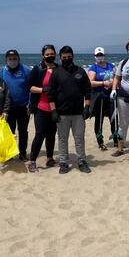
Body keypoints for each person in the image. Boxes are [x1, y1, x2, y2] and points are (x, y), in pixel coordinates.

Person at [48, 46, 92, 174]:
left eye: (69, 57)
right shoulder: (56, 72)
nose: (66, 59)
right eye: (64, 57)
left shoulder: (80, 71)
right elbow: (50, 93)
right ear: (60, 58)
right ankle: (64, 162)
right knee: (62, 139)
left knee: (79, 138)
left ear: (73, 56)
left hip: (78, 113)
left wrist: (87, 107)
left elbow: (87, 90)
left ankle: (82, 161)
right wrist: (53, 111)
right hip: (62, 113)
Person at [26, 45, 58, 173]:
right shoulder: (37, 69)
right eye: (47, 54)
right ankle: (32, 161)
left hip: (55, 108)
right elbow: (29, 87)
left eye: (52, 54)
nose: (50, 56)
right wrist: (43, 90)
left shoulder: (58, 69)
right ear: (43, 56)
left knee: (51, 134)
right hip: (40, 106)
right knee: (40, 134)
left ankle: (49, 159)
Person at [0, 49, 31, 161]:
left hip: (24, 107)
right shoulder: (2, 71)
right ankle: (10, 154)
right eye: (10, 59)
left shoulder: (26, 70)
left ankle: (22, 153)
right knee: (9, 132)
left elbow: (31, 87)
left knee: (23, 132)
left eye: (14, 59)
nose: (12, 61)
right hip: (8, 108)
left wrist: (30, 104)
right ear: (6, 60)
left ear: (18, 59)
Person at [87, 46, 117, 151]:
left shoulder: (110, 66)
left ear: (104, 55)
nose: (99, 57)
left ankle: (116, 140)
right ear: (95, 56)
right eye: (97, 55)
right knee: (99, 121)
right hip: (99, 98)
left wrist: (113, 83)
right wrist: (103, 83)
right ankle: (100, 142)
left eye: (101, 55)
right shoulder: (93, 68)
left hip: (111, 97)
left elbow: (117, 77)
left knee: (114, 119)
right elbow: (90, 82)